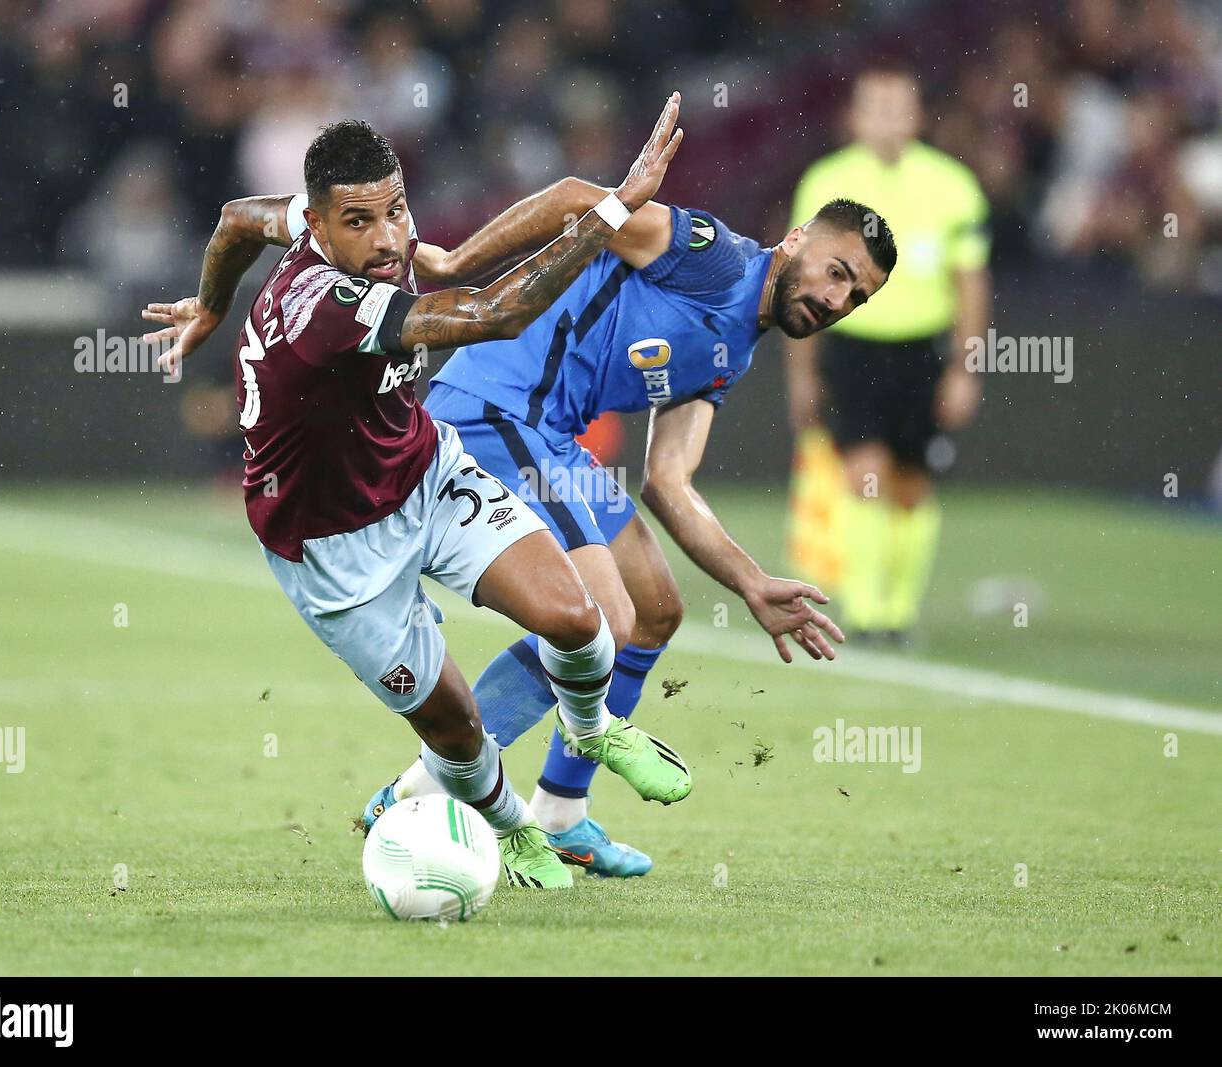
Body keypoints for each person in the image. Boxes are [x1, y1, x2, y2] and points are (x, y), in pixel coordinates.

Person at [140, 96, 691, 891]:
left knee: (579, 618)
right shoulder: (327, 307)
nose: (390, 238)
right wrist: (613, 209)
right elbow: (496, 313)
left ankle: (595, 725)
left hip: (427, 475)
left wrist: (212, 307)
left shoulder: (316, 220)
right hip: (332, 548)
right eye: (360, 223)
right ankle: (514, 829)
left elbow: (233, 220)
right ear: (322, 231)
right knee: (457, 730)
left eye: (396, 210)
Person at [356, 185, 896, 876]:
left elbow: (670, 482)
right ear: (794, 240)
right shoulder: (711, 256)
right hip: (495, 410)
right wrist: (457, 260)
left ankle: (561, 814)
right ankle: (421, 788)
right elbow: (579, 199)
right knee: (602, 618)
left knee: (653, 609)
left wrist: (752, 583)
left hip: (550, 438)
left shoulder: (737, 348)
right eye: (838, 272)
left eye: (858, 297)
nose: (837, 300)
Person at [785, 65, 992, 643]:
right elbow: (798, 279)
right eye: (874, 107)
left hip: (922, 355)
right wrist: (801, 369)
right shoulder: (825, 182)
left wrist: (964, 368)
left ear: (918, 116)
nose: (887, 119)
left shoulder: (953, 185)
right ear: (855, 115)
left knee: (912, 486)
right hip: (851, 349)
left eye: (898, 107)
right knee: (863, 475)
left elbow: (971, 284)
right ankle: (868, 612)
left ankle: (900, 612)